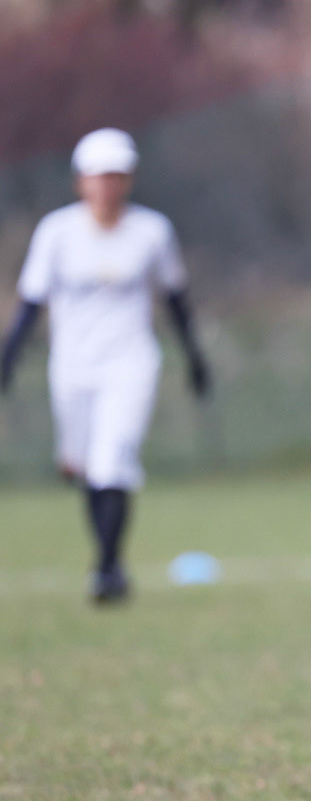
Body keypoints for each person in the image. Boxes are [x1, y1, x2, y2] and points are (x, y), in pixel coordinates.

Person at [0, 128, 209, 603]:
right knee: (83, 466)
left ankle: (108, 568)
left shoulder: (152, 232)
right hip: (72, 365)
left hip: (130, 360)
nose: (108, 185)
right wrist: (8, 357)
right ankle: (108, 562)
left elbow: (175, 296)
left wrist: (194, 356)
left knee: (112, 459)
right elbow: (32, 301)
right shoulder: (56, 233)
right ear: (81, 181)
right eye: (100, 176)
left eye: (117, 175)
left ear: (129, 180)